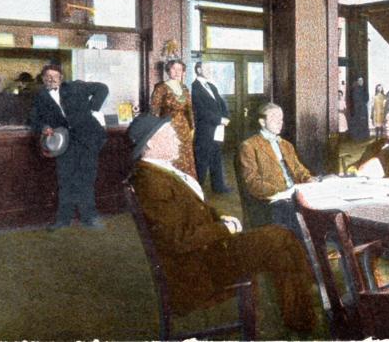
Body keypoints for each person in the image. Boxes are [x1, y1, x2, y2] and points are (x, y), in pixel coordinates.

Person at [126, 113, 316, 334]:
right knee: (280, 237)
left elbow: (189, 215)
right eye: (170, 135)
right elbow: (178, 239)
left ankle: (302, 319)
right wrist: (223, 228)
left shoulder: (159, 172)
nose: (179, 139)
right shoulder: (150, 181)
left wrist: (219, 219)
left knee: (282, 251)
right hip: (200, 268)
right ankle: (313, 298)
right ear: (150, 143)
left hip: (209, 253)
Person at [29, 64, 108, 230]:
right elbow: (34, 119)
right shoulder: (40, 96)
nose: (51, 79)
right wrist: (44, 127)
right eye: (47, 76)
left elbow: (103, 88)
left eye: (54, 76)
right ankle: (63, 220)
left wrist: (92, 108)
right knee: (65, 180)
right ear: (43, 79)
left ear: (61, 78)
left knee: (86, 179)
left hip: (88, 139)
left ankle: (90, 218)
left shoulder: (76, 86)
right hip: (64, 143)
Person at [236, 103, 314, 230]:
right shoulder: (249, 146)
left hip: (294, 193)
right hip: (272, 200)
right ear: (262, 122)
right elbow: (252, 182)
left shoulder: (286, 145)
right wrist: (282, 190)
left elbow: (299, 169)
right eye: (274, 118)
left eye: (281, 119)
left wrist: (308, 179)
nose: (280, 122)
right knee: (293, 216)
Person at [151, 59, 196, 179]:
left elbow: (189, 109)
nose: (177, 72)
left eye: (180, 69)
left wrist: (192, 127)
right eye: (174, 69)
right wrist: (156, 132)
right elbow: (154, 111)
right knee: (171, 156)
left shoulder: (184, 88)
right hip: (168, 127)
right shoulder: (161, 88)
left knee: (186, 158)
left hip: (184, 129)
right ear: (168, 70)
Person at [190, 62, 231, 193]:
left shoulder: (212, 86)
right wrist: (219, 119)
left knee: (216, 157)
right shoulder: (194, 88)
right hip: (205, 129)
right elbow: (200, 110)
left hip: (218, 129)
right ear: (198, 69)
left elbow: (222, 104)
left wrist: (226, 117)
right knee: (202, 160)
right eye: (207, 68)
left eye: (211, 68)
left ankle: (218, 186)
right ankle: (197, 189)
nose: (210, 71)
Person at [348, 76, 370, 141]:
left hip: (363, 108)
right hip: (357, 109)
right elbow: (355, 99)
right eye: (360, 81)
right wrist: (360, 105)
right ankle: (358, 137)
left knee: (364, 122)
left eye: (362, 81)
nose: (361, 82)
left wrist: (363, 103)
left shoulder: (364, 89)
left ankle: (364, 137)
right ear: (357, 82)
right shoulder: (355, 89)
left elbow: (367, 98)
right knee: (358, 123)